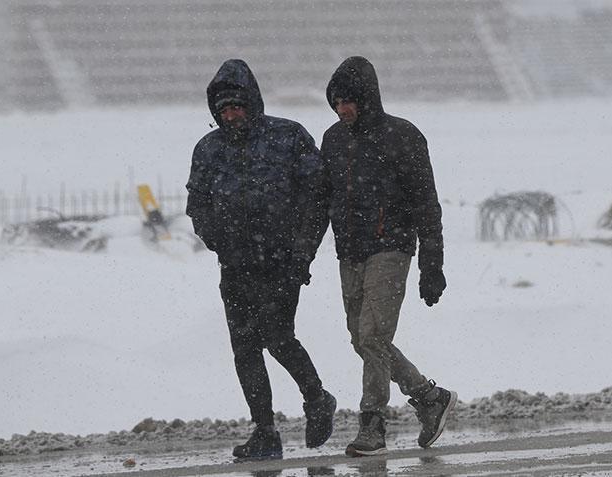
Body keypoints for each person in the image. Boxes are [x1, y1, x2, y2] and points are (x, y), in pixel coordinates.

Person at [185, 59, 336, 460]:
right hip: (235, 266)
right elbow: (197, 203)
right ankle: (265, 430)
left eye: (237, 106)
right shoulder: (209, 149)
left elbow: (317, 199)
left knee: (276, 335)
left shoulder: (288, 137)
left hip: (282, 262)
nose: (231, 115)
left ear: (252, 103)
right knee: (245, 347)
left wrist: (301, 253)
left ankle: (317, 398)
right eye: (223, 110)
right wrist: (218, 239)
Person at [316, 56, 456, 457]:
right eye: (336, 102)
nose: (343, 110)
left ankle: (373, 424)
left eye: (349, 101)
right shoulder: (333, 139)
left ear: (367, 98)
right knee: (363, 339)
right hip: (350, 252)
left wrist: (433, 265)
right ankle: (429, 398)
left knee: (373, 336)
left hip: (391, 247)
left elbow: (427, 206)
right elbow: (320, 204)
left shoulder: (403, 135)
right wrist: (301, 256)